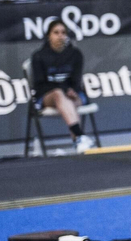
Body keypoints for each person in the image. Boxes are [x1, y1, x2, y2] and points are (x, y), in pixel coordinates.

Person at [29, 19, 94, 152]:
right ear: (49, 36)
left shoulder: (76, 54)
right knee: (59, 94)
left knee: (69, 99)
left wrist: (72, 91)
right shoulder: (38, 56)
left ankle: (79, 142)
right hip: (48, 95)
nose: (60, 36)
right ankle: (79, 135)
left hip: (71, 94)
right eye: (56, 33)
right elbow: (40, 84)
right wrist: (63, 90)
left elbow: (76, 80)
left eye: (63, 32)